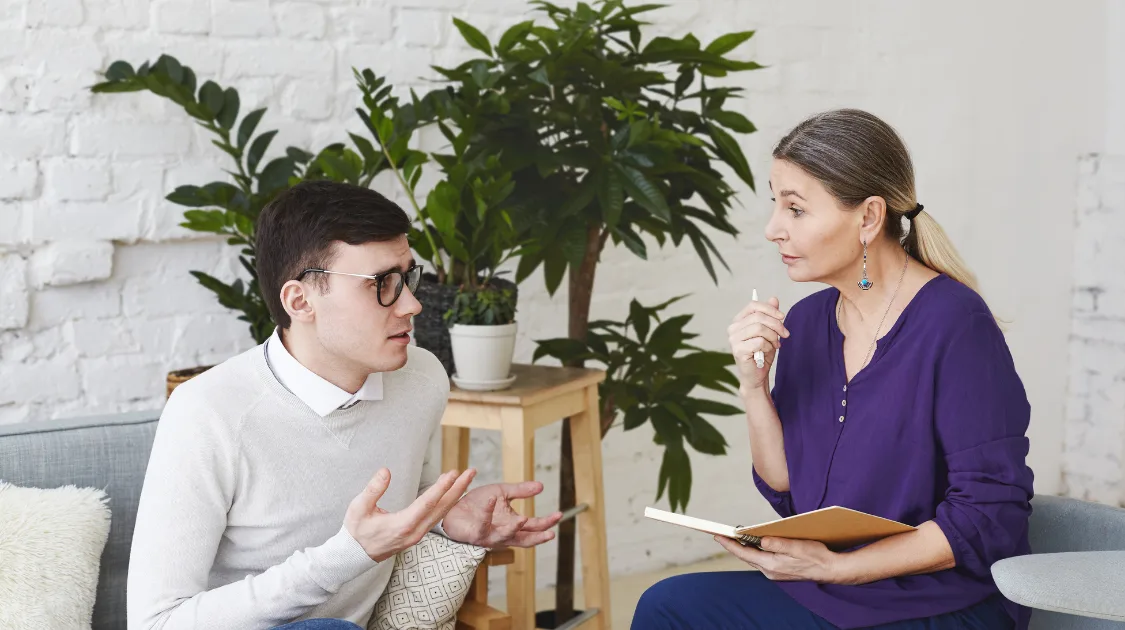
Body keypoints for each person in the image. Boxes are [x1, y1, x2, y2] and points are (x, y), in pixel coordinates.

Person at [632, 109, 1035, 629]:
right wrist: (754, 388)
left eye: (796, 209)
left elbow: (988, 517)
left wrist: (840, 567)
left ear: (868, 218)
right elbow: (789, 488)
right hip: (835, 589)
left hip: (942, 602)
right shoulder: (807, 323)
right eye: (775, 203)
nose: (773, 228)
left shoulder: (956, 326)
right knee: (667, 606)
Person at [127, 181, 562, 630]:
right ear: (301, 301)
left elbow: (389, 504)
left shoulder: (420, 378)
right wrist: (345, 556)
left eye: (408, 276)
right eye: (382, 284)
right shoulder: (209, 414)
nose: (412, 304)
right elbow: (157, 622)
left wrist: (448, 517)